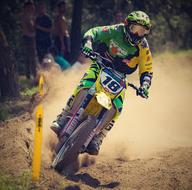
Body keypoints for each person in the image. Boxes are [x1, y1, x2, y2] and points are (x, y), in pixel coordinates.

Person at [51, 11, 153, 155]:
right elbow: (94, 32)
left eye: (142, 31)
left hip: (120, 77)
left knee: (118, 108)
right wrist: (88, 43)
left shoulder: (143, 46)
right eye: (135, 29)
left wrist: (145, 86)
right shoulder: (115, 30)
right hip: (101, 65)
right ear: (127, 25)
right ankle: (63, 116)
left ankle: (98, 137)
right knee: (84, 86)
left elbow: (147, 68)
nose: (138, 34)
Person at [21, 0, 36, 79]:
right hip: (29, 38)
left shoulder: (25, 15)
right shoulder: (27, 16)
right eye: (31, 6)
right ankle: (33, 74)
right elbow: (31, 29)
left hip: (27, 37)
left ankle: (28, 75)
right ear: (28, 7)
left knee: (28, 57)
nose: (33, 7)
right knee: (31, 57)